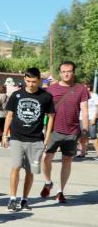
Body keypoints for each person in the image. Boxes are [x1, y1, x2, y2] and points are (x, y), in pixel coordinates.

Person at [2, 68, 55, 212]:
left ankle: (24, 199)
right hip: (17, 137)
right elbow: (9, 115)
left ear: (39, 80)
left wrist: (47, 137)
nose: (31, 84)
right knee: (16, 166)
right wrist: (4, 135)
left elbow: (51, 117)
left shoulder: (46, 96)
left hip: (36, 139)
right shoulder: (16, 95)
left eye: (34, 81)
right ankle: (12, 199)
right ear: (25, 79)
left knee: (30, 171)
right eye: (28, 81)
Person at [40, 61, 90, 204]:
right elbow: (43, 110)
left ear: (73, 72)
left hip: (72, 132)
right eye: (63, 71)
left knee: (67, 161)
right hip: (53, 130)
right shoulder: (51, 89)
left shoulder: (81, 89)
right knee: (46, 159)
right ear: (60, 73)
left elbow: (85, 111)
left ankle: (60, 191)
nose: (66, 74)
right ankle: (48, 182)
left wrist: (85, 132)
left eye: (69, 71)